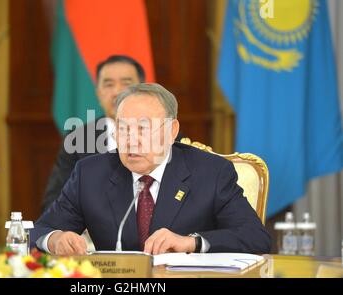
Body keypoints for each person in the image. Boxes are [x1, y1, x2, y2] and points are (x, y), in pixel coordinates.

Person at [31, 83, 272, 255]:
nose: (131, 140)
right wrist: (56, 239)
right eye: (123, 128)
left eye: (143, 129)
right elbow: (40, 230)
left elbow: (255, 237)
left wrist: (191, 243)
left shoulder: (211, 172)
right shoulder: (90, 174)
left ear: (172, 131)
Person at [42, 55, 146, 212]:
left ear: (143, 90)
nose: (117, 92)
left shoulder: (165, 136)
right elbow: (54, 201)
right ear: (98, 93)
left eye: (126, 83)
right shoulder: (78, 139)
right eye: (108, 84)